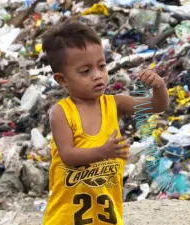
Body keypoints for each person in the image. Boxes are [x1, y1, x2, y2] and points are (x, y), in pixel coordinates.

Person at [41, 18, 169, 225]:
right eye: (85, 71)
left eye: (101, 66)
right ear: (62, 79)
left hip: (107, 217)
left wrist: (159, 86)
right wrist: (102, 152)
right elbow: (68, 155)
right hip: (66, 219)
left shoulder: (114, 104)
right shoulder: (61, 112)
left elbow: (157, 106)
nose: (97, 75)